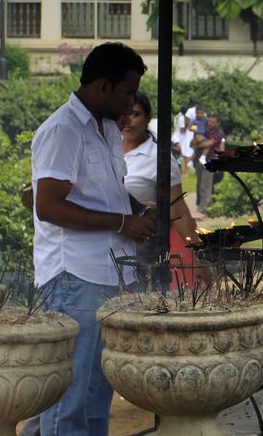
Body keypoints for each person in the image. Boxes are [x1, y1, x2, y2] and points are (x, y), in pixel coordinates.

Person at [31, 42, 155, 435]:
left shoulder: (103, 128)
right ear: (103, 86)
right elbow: (47, 206)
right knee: (69, 397)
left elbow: (103, 190)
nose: (131, 102)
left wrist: (136, 209)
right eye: (127, 91)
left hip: (111, 275)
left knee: (98, 392)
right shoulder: (62, 130)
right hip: (75, 277)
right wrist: (120, 223)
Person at [118, 92, 205, 267]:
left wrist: (197, 259)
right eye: (124, 113)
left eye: (136, 114)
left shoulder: (158, 158)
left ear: (148, 117)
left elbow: (178, 210)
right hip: (100, 247)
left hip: (139, 252)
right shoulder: (106, 147)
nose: (128, 120)